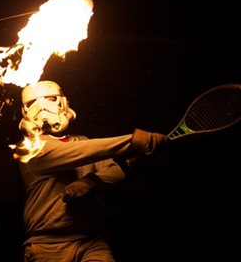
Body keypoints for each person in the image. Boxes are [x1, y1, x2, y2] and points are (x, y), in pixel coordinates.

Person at [11, 80, 167, 262]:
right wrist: (133, 142)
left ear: (64, 103)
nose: (43, 109)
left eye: (51, 99)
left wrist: (91, 182)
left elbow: (117, 170)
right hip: (49, 245)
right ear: (25, 111)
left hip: (92, 240)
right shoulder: (30, 149)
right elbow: (89, 151)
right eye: (33, 104)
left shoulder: (82, 140)